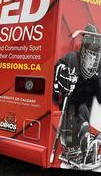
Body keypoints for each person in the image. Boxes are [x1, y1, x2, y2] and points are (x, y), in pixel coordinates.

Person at [53, 24, 101, 163]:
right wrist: (60, 77)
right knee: (79, 107)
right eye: (90, 56)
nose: (93, 61)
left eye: (96, 56)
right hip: (71, 110)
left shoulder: (99, 66)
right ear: (83, 51)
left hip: (86, 109)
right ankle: (79, 141)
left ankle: (88, 138)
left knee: (84, 108)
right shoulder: (71, 59)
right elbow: (56, 90)